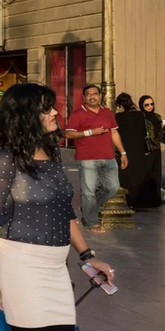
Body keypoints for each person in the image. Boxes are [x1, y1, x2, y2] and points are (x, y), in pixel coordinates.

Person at [0, 83, 114, 331]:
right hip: (21, 265)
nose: (55, 112)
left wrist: (87, 256)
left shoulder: (51, 153)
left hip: (57, 269)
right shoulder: (5, 157)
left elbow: (66, 211)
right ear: (26, 115)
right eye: (46, 108)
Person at [63, 84, 129, 230]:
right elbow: (68, 133)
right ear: (84, 97)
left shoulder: (107, 112)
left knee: (112, 187)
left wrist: (123, 152)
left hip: (109, 157)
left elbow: (114, 133)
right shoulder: (78, 113)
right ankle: (91, 222)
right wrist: (90, 132)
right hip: (87, 159)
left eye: (95, 94)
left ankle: (88, 209)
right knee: (89, 192)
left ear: (100, 96)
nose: (92, 97)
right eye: (89, 94)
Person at [113, 93, 158, 209]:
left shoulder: (117, 117)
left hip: (125, 149)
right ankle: (140, 201)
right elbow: (144, 133)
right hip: (138, 149)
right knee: (139, 175)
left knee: (126, 174)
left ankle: (128, 200)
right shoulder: (139, 115)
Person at [140, 96, 163, 204]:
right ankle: (147, 200)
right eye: (146, 105)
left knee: (156, 174)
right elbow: (141, 135)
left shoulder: (157, 117)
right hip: (147, 149)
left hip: (156, 149)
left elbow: (160, 136)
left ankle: (156, 199)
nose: (150, 107)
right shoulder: (141, 118)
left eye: (151, 104)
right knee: (147, 174)